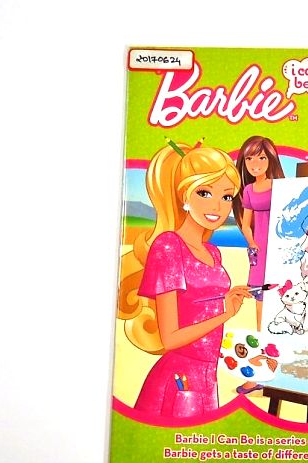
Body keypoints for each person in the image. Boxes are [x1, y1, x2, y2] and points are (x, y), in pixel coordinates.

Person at [117, 141, 252, 418]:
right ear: (184, 196)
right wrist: (224, 314)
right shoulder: (169, 246)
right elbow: (170, 338)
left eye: (227, 197)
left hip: (207, 377)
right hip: (180, 380)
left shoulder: (213, 252)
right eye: (205, 192)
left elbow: (200, 306)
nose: (218, 206)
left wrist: (226, 302)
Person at [232, 136, 286, 332]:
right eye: (249, 159)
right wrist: (252, 243)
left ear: (271, 159)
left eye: (261, 158)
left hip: (279, 244)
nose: (255, 164)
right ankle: (261, 333)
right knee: (261, 294)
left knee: (282, 288)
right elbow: (246, 224)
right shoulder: (249, 190)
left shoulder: (279, 186)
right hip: (260, 246)